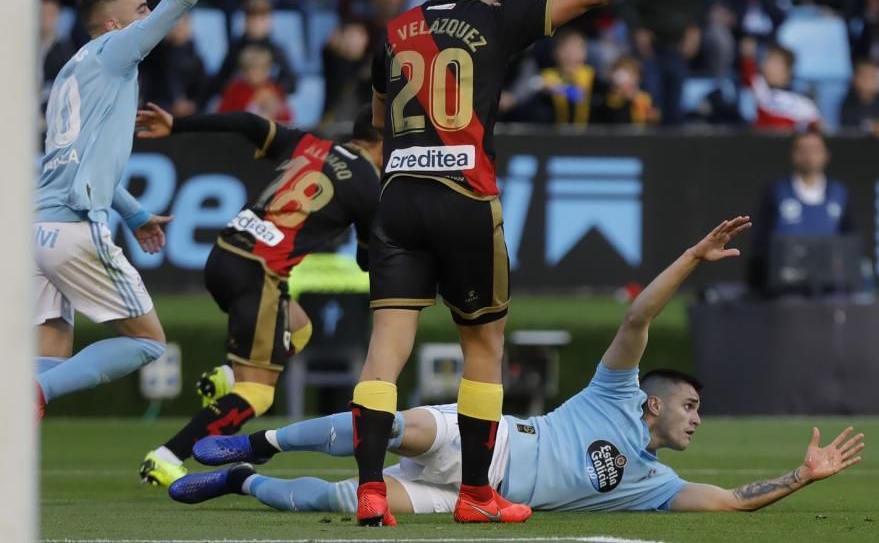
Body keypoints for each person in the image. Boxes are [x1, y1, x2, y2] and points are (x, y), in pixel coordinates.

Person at [351, 0, 719, 526]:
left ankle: (369, 491)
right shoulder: (498, 21)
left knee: (385, 351)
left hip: (399, 195)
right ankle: (475, 495)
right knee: (484, 346)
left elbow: (379, 121)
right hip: (465, 194)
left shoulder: (394, 30)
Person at [169, 217, 865, 517]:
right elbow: (637, 320)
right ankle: (258, 439)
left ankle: (240, 478)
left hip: (475, 501)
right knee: (382, 424)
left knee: (339, 501)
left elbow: (730, 502)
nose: (697, 418)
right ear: (651, 402)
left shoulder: (653, 484)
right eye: (689, 405)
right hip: (488, 441)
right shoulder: (612, 392)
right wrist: (689, 257)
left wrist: (800, 479)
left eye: (699, 412)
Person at [34, 0, 237, 418]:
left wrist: (138, 211)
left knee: (46, 353)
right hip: (74, 228)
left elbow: (77, 163)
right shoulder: (114, 52)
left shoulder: (72, 75)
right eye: (138, 10)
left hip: (35, 230)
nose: (149, 17)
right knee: (148, 341)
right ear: (108, 26)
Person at [134, 102, 383, 487]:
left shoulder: (308, 142)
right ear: (387, 145)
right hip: (259, 273)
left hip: (224, 254)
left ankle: (228, 376)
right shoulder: (369, 185)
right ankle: (166, 457)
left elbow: (248, 121)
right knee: (258, 394)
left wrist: (178, 124)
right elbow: (368, 262)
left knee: (298, 328)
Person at [749, 129, 856, 290]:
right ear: (793, 155)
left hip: (829, 287)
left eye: (814, 150)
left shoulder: (840, 194)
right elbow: (761, 241)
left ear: (825, 154)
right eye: (803, 150)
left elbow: (850, 241)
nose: (809, 156)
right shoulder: (776, 192)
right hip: (785, 288)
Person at [739, 38, 821, 130]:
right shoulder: (760, 90)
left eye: (776, 63)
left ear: (788, 71)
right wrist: (748, 55)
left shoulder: (804, 105)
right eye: (767, 60)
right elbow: (748, 74)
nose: (768, 67)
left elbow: (820, 132)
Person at [218, 45, 293, 124]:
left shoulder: (273, 88)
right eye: (252, 69)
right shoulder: (235, 89)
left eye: (262, 69)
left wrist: (275, 107)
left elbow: (288, 118)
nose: (256, 74)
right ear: (244, 70)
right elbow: (224, 117)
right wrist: (255, 102)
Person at [840, 58, 879, 133]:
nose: (868, 81)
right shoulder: (848, 102)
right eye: (864, 77)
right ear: (855, 79)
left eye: (872, 76)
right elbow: (849, 127)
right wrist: (871, 127)